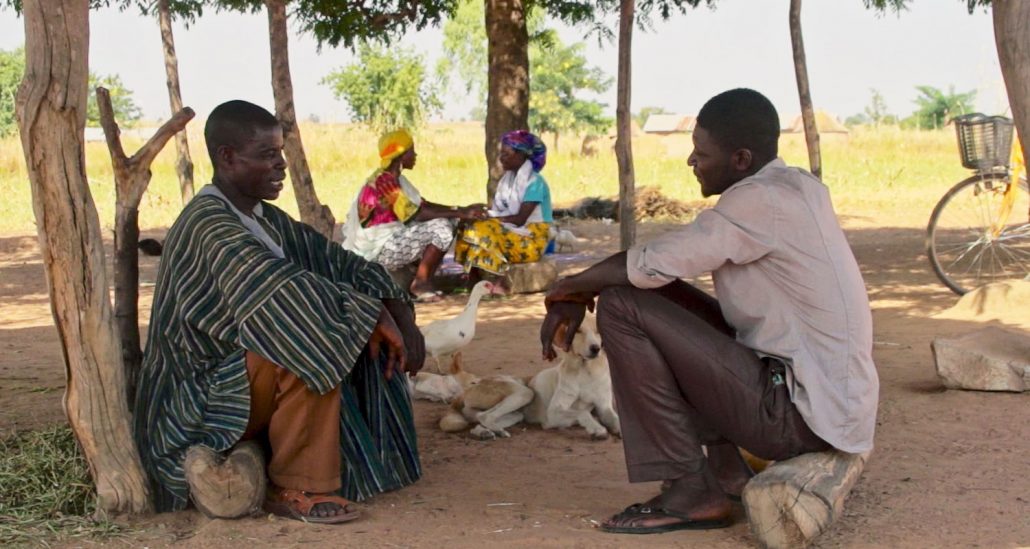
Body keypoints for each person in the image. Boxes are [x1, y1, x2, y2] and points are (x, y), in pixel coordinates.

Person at [539, 89, 879, 534]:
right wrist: (580, 291)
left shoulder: (757, 203)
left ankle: (691, 492)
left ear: (740, 159)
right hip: (825, 406)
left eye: (701, 153)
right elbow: (657, 266)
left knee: (623, 306)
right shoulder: (797, 186)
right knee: (653, 296)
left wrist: (567, 289)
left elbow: (654, 260)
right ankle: (725, 473)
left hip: (799, 416)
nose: (691, 161)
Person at [134, 100, 426, 524]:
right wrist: (375, 317)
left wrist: (399, 311)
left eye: (280, 153)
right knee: (304, 335)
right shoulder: (210, 224)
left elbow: (336, 261)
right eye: (268, 155)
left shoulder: (262, 217)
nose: (281, 166)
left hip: (233, 380)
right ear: (228, 157)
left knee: (337, 322)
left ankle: (315, 461)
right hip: (195, 400)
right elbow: (284, 294)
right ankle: (298, 486)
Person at [342, 129, 488, 301]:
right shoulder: (384, 182)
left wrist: (461, 210)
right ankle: (421, 282)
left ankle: (465, 277)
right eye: (412, 151)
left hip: (391, 241)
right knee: (441, 227)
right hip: (380, 250)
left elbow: (423, 205)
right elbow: (416, 214)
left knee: (452, 220)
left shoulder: (395, 179)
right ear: (401, 155)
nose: (415, 155)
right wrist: (462, 212)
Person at [454, 130, 554, 289]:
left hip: (532, 239)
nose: (501, 158)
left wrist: (488, 219)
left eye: (506, 154)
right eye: (501, 154)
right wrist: (480, 214)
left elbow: (520, 219)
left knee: (483, 228)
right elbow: (500, 211)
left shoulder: (535, 183)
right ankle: (472, 276)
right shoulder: (508, 181)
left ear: (521, 155)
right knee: (467, 224)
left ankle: (500, 281)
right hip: (515, 232)